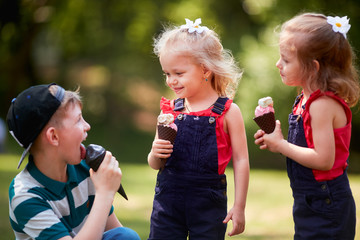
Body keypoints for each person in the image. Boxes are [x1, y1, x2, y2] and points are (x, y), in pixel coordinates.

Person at [254, 13, 359, 239]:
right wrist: (275, 137)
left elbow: (324, 159)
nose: (278, 64)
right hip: (310, 200)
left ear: (313, 67)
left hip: (326, 202)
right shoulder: (305, 98)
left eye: (286, 60)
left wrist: (281, 145)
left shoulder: (322, 104)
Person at [147, 18, 249, 239]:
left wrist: (239, 207)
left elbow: (241, 160)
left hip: (208, 206)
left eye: (179, 73)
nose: (171, 81)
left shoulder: (228, 112)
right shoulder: (169, 111)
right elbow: (156, 164)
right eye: (167, 74)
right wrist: (155, 153)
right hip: (168, 203)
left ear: (205, 69)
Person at [7, 83, 140, 240]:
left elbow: (117, 232)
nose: (87, 126)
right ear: (54, 137)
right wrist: (105, 193)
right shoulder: (25, 196)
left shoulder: (85, 170)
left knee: (126, 236)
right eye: (78, 120)